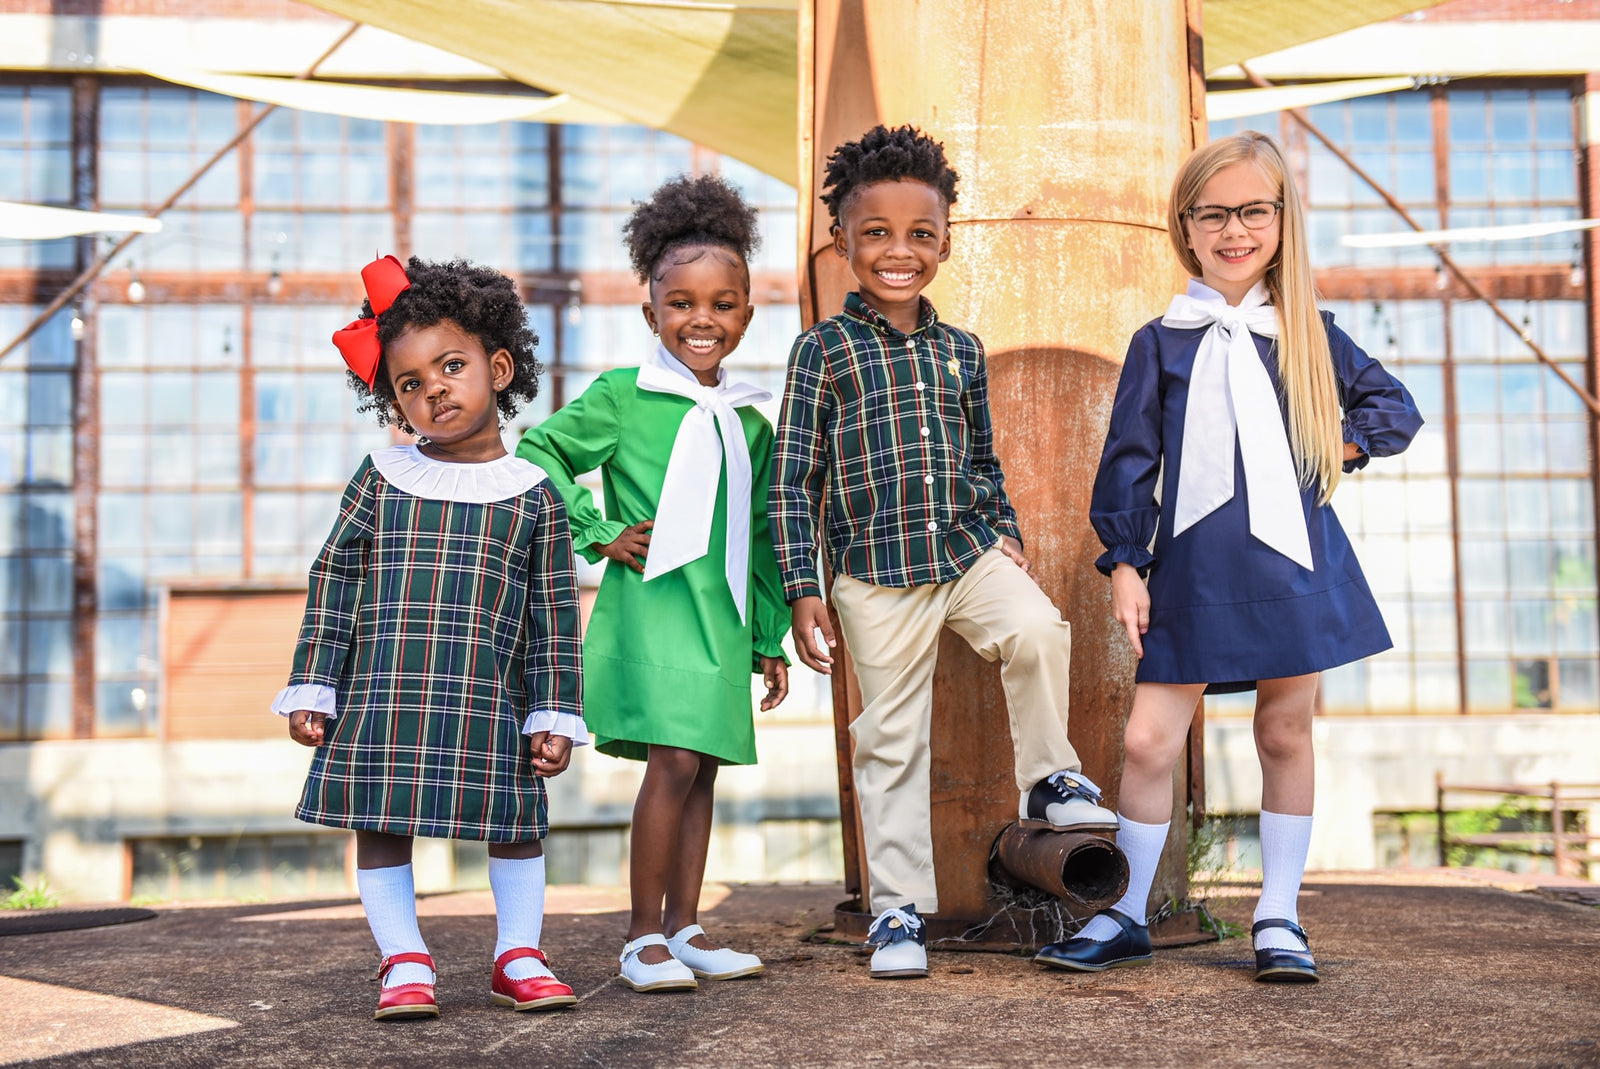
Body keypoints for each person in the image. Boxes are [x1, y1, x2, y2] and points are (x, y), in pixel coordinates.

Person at [1039, 131, 1423, 983]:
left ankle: (1279, 915)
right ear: (1186, 226)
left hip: (1294, 562)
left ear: (1282, 218)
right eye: (1211, 213)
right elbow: (1129, 462)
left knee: (1284, 729)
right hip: (1195, 564)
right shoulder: (1161, 341)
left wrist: (1339, 448)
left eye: (1252, 209)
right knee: (1147, 741)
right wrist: (1127, 564)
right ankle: (1127, 912)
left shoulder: (1311, 335)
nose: (1233, 229)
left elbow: (1396, 411)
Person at [770, 124, 1117, 981]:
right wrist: (801, 588)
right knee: (889, 739)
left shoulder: (960, 350)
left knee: (1038, 629)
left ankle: (1051, 778)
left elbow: (982, 456)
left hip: (964, 551)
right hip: (874, 574)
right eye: (877, 232)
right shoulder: (822, 350)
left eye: (920, 234)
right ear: (841, 240)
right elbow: (790, 477)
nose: (899, 251)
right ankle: (896, 910)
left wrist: (1005, 528)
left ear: (945, 242)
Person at [274, 255, 586, 1020]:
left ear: (499, 365)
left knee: (514, 823)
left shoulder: (535, 497)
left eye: (451, 365)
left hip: (487, 699)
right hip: (384, 694)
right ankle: (403, 959)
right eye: (410, 383)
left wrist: (552, 710)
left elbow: (553, 612)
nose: (434, 388)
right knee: (380, 822)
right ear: (394, 400)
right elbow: (334, 580)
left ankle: (518, 953)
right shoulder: (380, 478)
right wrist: (316, 682)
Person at [517, 174, 789, 994]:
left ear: (747, 311)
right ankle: (642, 936)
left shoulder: (749, 421)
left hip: (722, 614)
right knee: (671, 760)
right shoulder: (622, 398)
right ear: (650, 313)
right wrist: (599, 532)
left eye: (722, 303)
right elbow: (539, 452)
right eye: (680, 303)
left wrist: (769, 636)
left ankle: (687, 924)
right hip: (654, 606)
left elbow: (765, 535)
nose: (700, 319)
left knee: (700, 763)